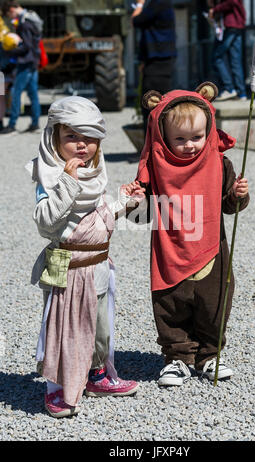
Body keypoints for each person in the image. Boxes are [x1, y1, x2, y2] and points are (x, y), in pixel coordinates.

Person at [26, 96, 144, 417]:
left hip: (98, 265)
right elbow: (47, 222)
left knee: (100, 328)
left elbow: (97, 215)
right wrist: (67, 183)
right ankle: (59, 387)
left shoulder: (95, 175)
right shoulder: (50, 177)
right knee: (66, 329)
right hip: (68, 268)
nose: (82, 145)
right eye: (72, 137)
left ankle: (96, 375)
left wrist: (124, 203)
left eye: (89, 138)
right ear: (54, 139)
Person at [135, 82, 249, 386]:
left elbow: (228, 205)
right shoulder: (155, 167)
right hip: (170, 248)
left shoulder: (218, 162)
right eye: (180, 139)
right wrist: (133, 200)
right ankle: (177, 357)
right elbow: (142, 214)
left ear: (209, 132)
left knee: (215, 301)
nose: (190, 145)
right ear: (162, 137)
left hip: (210, 246)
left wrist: (237, 195)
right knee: (171, 302)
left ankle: (210, 354)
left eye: (197, 138)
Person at [131, 0, 176, 136]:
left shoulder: (161, 3)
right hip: (154, 61)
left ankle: (155, 149)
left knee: (154, 106)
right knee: (152, 106)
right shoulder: (158, 4)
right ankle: (151, 148)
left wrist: (139, 4)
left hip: (159, 63)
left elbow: (136, 21)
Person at [0, 0, 42, 134]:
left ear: (11, 10)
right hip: (34, 61)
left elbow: (26, 46)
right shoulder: (31, 18)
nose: (10, 17)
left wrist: (10, 50)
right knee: (33, 93)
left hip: (25, 62)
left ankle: (12, 125)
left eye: (8, 15)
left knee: (16, 92)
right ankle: (35, 124)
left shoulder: (24, 23)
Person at [208, 0, 247, 101]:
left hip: (230, 24)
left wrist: (215, 9)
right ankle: (241, 92)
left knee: (216, 57)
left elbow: (232, 1)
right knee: (235, 60)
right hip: (237, 23)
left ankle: (229, 88)